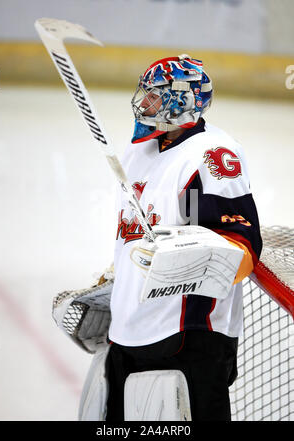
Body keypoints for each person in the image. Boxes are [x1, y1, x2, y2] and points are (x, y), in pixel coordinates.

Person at [53, 54, 262, 422]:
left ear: (182, 100)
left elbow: (240, 249)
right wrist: (124, 285)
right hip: (129, 330)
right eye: (145, 93)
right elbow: (139, 234)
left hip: (188, 335)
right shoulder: (139, 150)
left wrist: (185, 261)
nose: (143, 102)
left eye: (155, 95)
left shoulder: (211, 155)